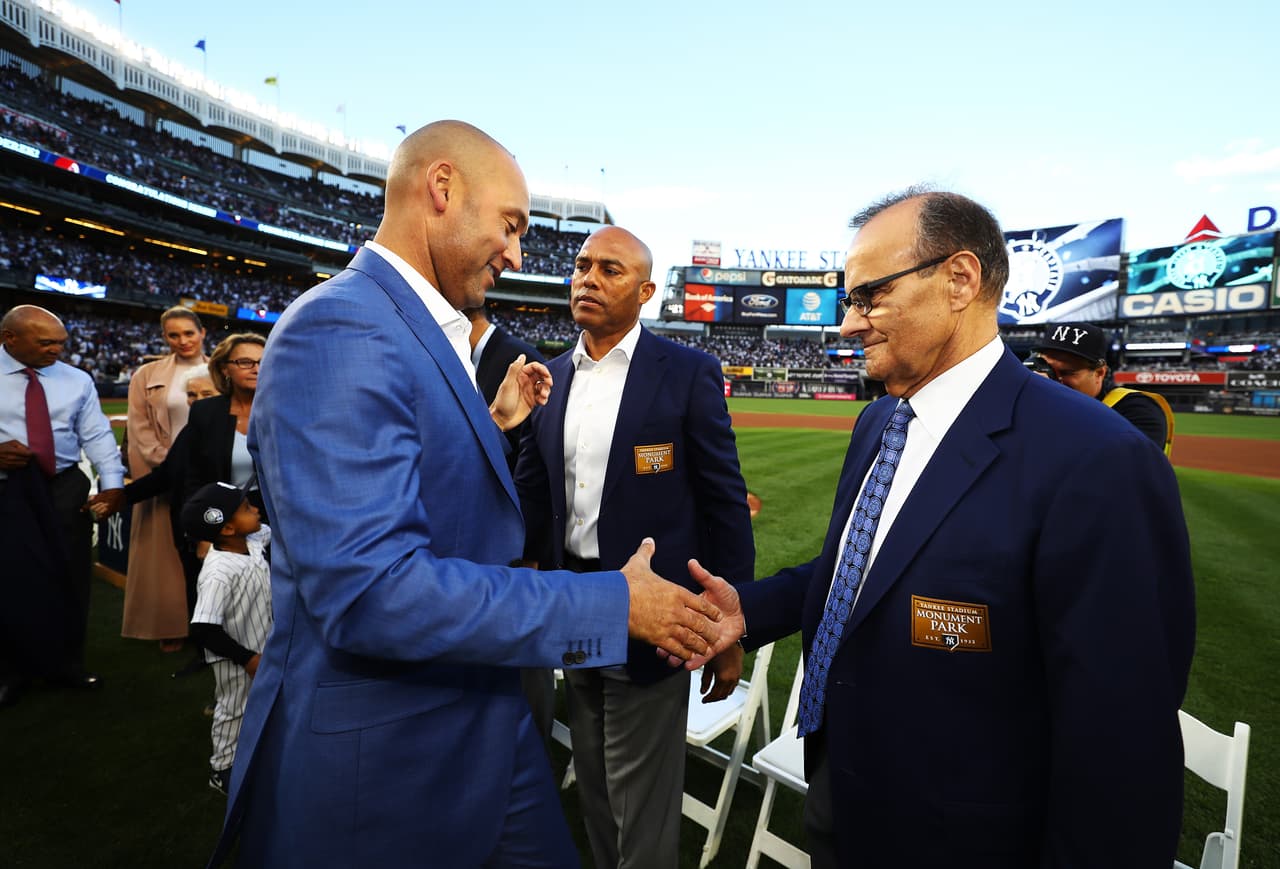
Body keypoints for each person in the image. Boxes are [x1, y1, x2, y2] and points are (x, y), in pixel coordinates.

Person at [208, 120, 726, 868]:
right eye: (510, 224)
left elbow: (419, 496)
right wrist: (613, 604)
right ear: (442, 189)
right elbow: (370, 590)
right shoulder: (340, 327)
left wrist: (493, 424)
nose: (517, 253)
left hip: (478, 719)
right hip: (389, 756)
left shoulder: (413, 326)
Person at [686, 188, 1196, 868]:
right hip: (843, 785)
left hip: (970, 836)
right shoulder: (877, 422)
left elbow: (1121, 745)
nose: (847, 324)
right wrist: (747, 610)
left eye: (869, 296)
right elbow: (865, 572)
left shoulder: (1099, 459)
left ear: (960, 279)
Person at [515, 225, 754, 867]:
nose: (588, 278)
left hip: (656, 612)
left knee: (642, 796)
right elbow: (536, 494)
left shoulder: (687, 372)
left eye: (610, 270)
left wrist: (732, 627)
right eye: (581, 265)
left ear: (646, 290)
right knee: (591, 771)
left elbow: (725, 503)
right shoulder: (553, 375)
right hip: (574, 602)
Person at [0, 305, 124, 707]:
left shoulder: (77, 380)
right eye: (46, 342)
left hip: (65, 485)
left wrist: (113, 485)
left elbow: (98, 435)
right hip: (7, 488)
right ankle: (11, 670)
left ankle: (66, 662)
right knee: (11, 580)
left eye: (61, 343)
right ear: (10, 339)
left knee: (72, 575)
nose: (57, 349)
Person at [464, 306, 557, 746]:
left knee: (522, 659)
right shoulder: (459, 357)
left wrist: (532, 554)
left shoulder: (516, 357)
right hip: (471, 542)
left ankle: (528, 745)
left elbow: (538, 470)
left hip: (514, 552)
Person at [123, 306, 208, 651]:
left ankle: (216, 626)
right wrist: (169, 464)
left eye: (189, 333)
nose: (182, 341)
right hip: (166, 474)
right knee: (165, 553)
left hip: (213, 471)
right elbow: (139, 427)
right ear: (164, 338)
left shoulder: (222, 367)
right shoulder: (147, 374)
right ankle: (170, 622)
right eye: (173, 335)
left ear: (202, 332)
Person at [180, 482, 272, 798]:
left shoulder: (251, 540)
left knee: (264, 706)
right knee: (234, 710)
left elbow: (270, 528)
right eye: (246, 508)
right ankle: (222, 769)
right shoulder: (218, 572)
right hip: (234, 656)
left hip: (258, 645)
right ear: (229, 527)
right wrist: (246, 658)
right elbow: (203, 628)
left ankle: (259, 754)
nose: (255, 509)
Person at [1029, 321, 1174, 454]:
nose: (1052, 378)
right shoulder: (1037, 398)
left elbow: (1123, 464)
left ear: (1099, 373)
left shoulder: (1138, 409)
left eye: (1067, 372)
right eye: (1047, 368)